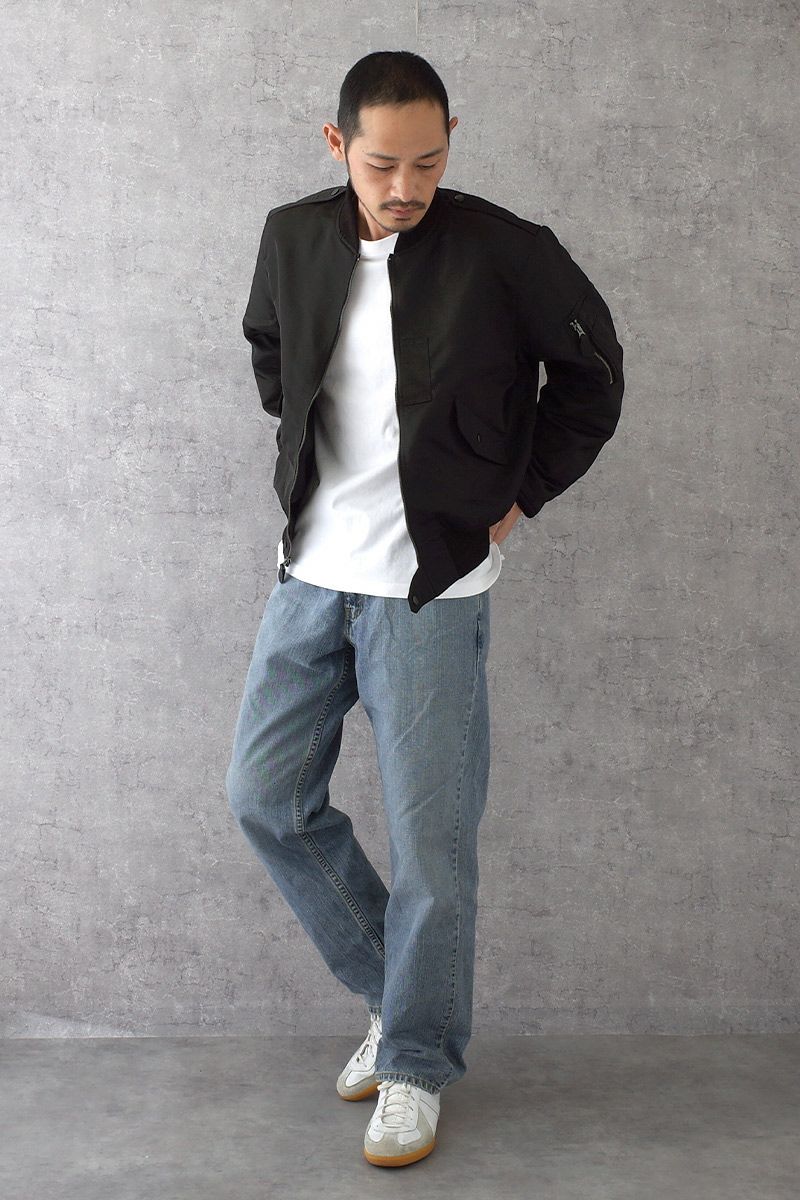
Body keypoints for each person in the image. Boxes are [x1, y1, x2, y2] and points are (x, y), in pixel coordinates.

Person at [226, 49, 624, 1168]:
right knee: (264, 799)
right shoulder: (292, 237)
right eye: (381, 164)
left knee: (433, 847)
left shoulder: (504, 250)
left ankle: (414, 1061)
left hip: (431, 586)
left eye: (429, 161)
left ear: (452, 140)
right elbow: (271, 351)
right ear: (336, 144)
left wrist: (517, 494)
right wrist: (306, 463)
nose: (405, 187)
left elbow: (593, 377)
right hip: (312, 572)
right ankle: (398, 997)